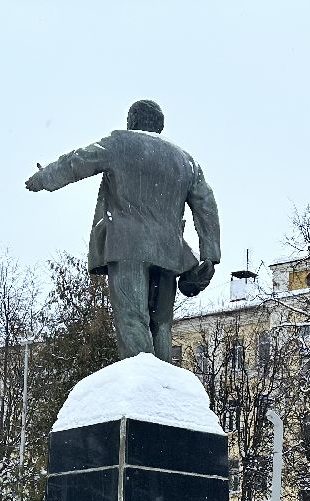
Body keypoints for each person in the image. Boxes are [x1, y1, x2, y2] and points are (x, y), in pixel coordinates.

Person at [25, 99, 221, 362]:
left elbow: (78, 161)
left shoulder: (121, 143)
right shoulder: (185, 161)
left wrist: (44, 178)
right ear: (159, 127)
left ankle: (142, 384)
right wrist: (210, 252)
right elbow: (206, 204)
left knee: (132, 318)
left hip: (127, 244)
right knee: (161, 325)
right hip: (170, 253)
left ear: (132, 122)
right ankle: (163, 385)